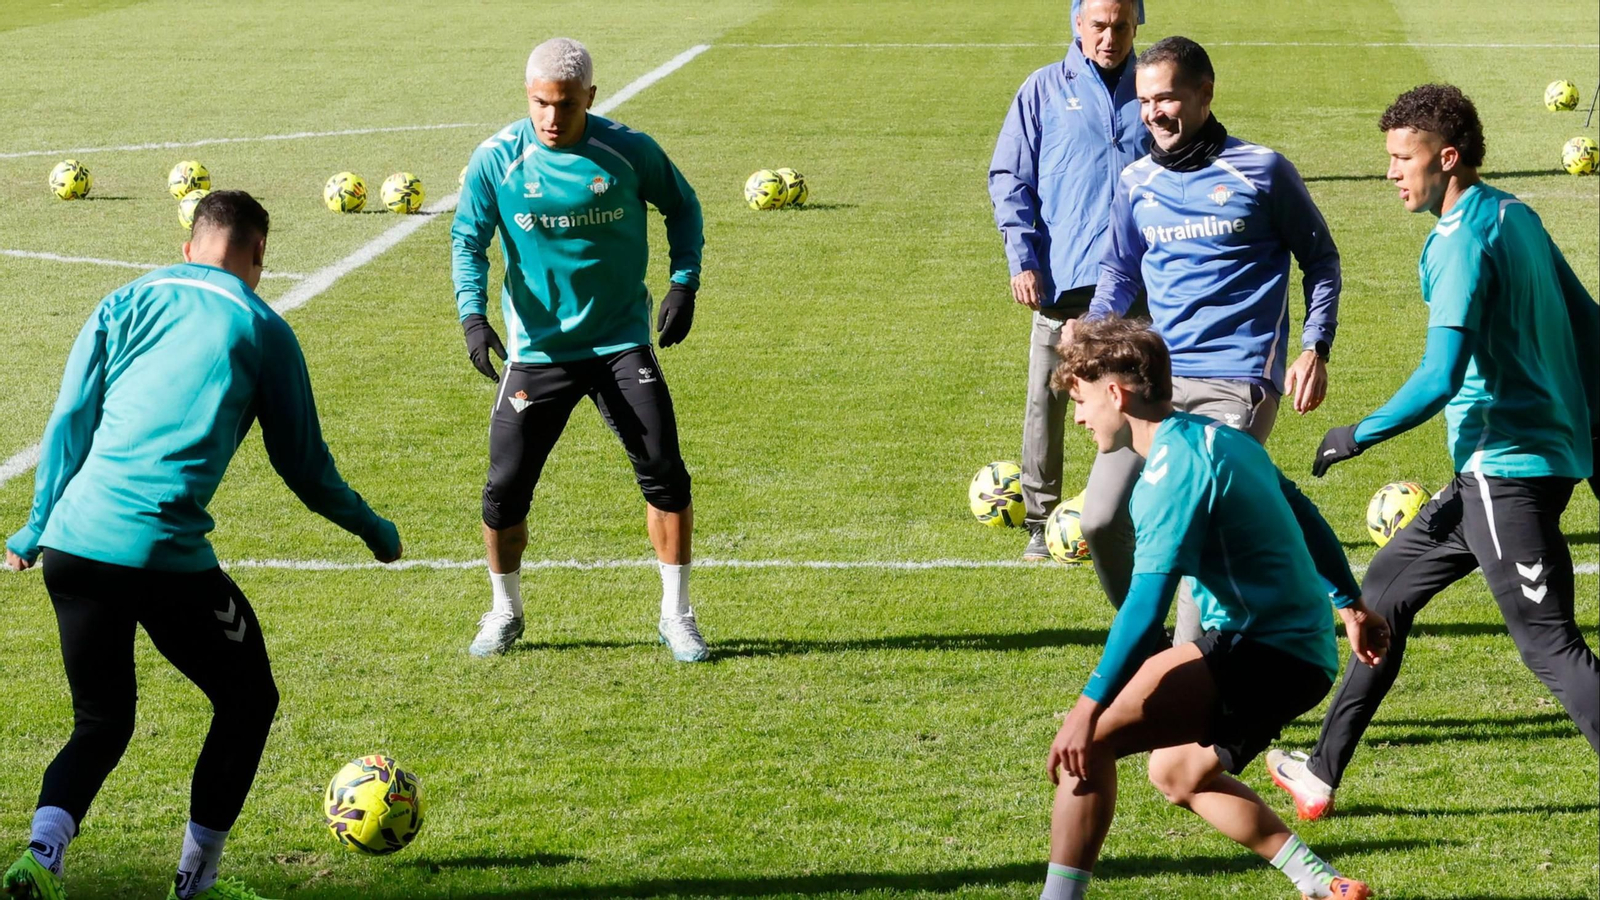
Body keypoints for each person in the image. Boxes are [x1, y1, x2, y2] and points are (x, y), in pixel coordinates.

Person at [2, 190, 402, 900]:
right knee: (249, 700)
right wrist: (375, 530)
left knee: (102, 719)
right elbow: (306, 471)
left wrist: (34, 528)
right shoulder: (262, 327)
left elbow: (68, 421)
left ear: (189, 245)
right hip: (161, 554)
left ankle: (41, 856)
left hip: (71, 544)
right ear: (258, 255)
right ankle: (196, 882)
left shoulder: (122, 300)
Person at [1268, 83, 1600, 821]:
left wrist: (1358, 433)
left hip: (1505, 470)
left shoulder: (1459, 244)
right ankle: (1322, 771)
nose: (1391, 172)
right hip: (1519, 464)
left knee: (1550, 646)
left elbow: (1440, 378)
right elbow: (1591, 326)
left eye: (1402, 157)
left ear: (1446, 159)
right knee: (1383, 590)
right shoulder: (1516, 213)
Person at [1037, 316, 1386, 900]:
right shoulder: (1219, 438)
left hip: (1264, 650)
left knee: (1090, 740)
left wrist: (1084, 707)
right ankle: (1325, 886)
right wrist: (1350, 604)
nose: (1078, 417)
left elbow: (1144, 609)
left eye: (1081, 401)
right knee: (1177, 772)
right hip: (1294, 652)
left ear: (1116, 393)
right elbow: (1303, 511)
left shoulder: (1171, 477)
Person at [1073, 36, 1342, 642]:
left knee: (1197, 524)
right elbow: (1119, 270)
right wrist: (1092, 333)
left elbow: (1321, 260)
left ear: (1204, 94)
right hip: (1157, 382)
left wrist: (1313, 346)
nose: (1154, 114)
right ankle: (1151, 646)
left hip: (1238, 382)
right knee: (1100, 518)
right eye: (1144, 101)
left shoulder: (1262, 170)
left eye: (1166, 98)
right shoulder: (1136, 180)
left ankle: (1198, 678)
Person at [452, 37, 707, 660]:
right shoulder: (497, 160)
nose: (551, 118)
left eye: (565, 105)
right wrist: (473, 318)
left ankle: (678, 616)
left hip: (620, 342)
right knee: (503, 488)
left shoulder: (627, 150)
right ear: (527, 96)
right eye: (540, 103)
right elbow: (467, 239)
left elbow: (683, 206)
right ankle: (504, 611)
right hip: (537, 351)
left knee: (665, 474)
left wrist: (683, 281)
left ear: (590, 97)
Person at [988, 0, 1150, 560]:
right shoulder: (1041, 90)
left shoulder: (1153, 87)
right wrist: (1022, 256)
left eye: (1121, 26)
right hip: (1064, 276)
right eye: (1099, 26)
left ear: (1137, 24)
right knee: (1047, 401)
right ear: (1077, 24)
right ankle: (1040, 518)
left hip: (1140, 279)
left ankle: (1139, 510)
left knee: (1139, 397)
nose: (1110, 37)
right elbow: (1010, 177)